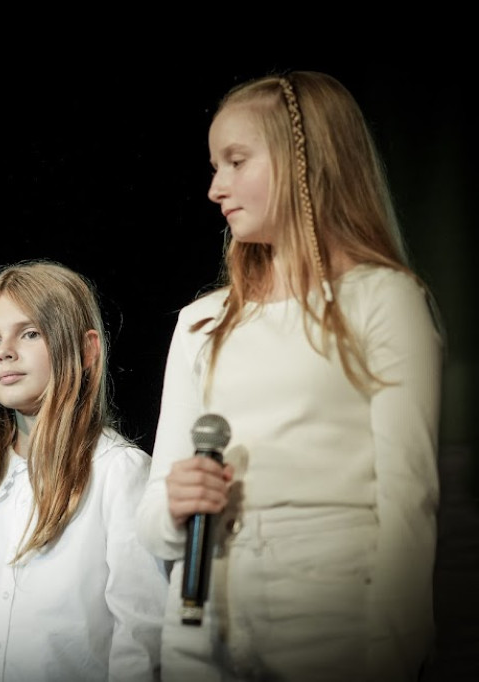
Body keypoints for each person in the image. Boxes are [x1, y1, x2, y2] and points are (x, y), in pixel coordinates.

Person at [134, 70, 444, 681]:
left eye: (236, 161)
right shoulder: (202, 322)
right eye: (214, 165)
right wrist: (175, 507)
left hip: (333, 631)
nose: (215, 188)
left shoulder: (384, 301)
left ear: (307, 162)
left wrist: (394, 654)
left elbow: (410, 502)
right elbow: (153, 521)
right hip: (202, 633)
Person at [0, 260, 169, 682]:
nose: (5, 350)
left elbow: (140, 631)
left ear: (86, 350)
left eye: (30, 333)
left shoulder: (118, 473)